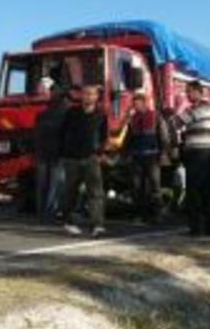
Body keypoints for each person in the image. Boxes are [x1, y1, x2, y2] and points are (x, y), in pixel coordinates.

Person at [60, 85, 109, 238]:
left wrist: (100, 153)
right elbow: (61, 133)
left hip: (91, 159)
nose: (88, 96)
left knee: (95, 193)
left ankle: (97, 226)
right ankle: (69, 223)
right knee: (71, 192)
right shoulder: (71, 113)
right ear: (81, 96)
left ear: (96, 97)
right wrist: (63, 154)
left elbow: (103, 137)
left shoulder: (101, 115)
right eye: (85, 94)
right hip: (72, 159)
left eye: (91, 94)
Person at [174, 80, 210, 236]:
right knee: (209, 191)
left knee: (194, 191)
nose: (187, 95)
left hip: (197, 153)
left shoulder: (194, 110)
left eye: (189, 92)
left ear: (197, 92)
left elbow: (175, 123)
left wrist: (178, 108)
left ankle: (196, 229)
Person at [120, 92, 170, 222]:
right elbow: (128, 139)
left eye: (137, 103)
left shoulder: (156, 116)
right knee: (137, 187)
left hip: (152, 156)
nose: (135, 106)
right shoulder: (133, 119)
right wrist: (124, 153)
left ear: (144, 102)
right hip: (137, 157)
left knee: (155, 186)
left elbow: (164, 136)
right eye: (134, 103)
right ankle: (139, 214)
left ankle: (157, 213)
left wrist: (164, 153)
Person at [34, 85, 69, 223]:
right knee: (55, 185)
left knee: (42, 184)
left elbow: (36, 136)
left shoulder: (42, 115)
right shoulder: (66, 115)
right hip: (57, 154)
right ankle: (50, 214)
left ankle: (41, 213)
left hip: (42, 153)